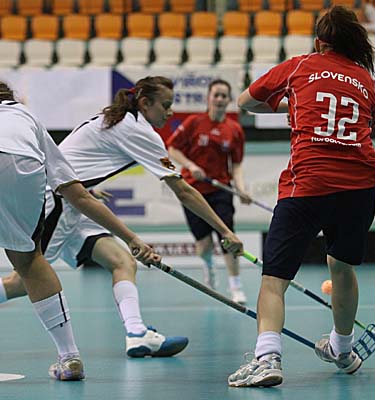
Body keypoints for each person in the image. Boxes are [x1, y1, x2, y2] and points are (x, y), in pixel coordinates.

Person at [0, 76, 244, 359]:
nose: (170, 112)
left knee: (122, 262)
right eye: (165, 105)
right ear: (145, 103)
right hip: (58, 202)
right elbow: (184, 191)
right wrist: (225, 231)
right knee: (22, 282)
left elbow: (72, 159)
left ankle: (136, 333)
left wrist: (88, 188)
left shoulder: (116, 119)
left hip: (77, 201)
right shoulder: (137, 129)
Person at [227, 6, 375, 387]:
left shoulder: (300, 65)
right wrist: (303, 106)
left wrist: (290, 105)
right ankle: (342, 350)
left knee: (274, 279)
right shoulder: (366, 80)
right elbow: (365, 124)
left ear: (318, 42)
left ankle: (267, 358)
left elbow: (245, 101)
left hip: (308, 184)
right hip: (361, 186)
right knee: (341, 267)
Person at [0, 81, 158, 380]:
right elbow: (79, 195)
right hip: (25, 166)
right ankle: (69, 357)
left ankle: (130, 332)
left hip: (47, 192)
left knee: (26, 273)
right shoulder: (25, 116)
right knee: (30, 262)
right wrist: (132, 238)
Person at [167, 79, 250, 304]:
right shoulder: (194, 122)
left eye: (224, 96)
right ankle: (209, 265)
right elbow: (172, 148)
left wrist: (241, 189)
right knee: (203, 245)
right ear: (208, 98)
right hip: (192, 191)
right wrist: (191, 166)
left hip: (220, 190)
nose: (220, 99)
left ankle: (235, 285)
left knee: (228, 236)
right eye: (216, 95)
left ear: (229, 100)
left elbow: (237, 165)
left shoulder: (234, 130)